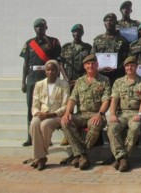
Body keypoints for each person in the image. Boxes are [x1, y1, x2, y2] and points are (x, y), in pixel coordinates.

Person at [61, 54, 111, 170]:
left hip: (96, 114)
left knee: (95, 125)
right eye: (88, 64)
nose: (91, 66)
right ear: (84, 66)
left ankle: (78, 155)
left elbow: (106, 100)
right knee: (65, 122)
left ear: (97, 65)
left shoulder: (104, 80)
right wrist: (67, 112)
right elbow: (72, 98)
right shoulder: (80, 81)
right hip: (81, 114)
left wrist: (100, 114)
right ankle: (82, 155)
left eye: (93, 63)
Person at [20, 18, 61, 147]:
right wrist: (23, 81)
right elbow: (25, 63)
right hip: (32, 77)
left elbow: (57, 61)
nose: (39, 29)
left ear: (46, 28)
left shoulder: (53, 42)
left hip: (47, 77)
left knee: (47, 107)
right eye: (37, 27)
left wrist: (57, 79)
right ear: (34, 29)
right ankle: (30, 136)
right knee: (31, 107)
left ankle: (46, 137)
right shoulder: (29, 43)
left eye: (41, 27)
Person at [107, 56, 141, 172]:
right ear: (124, 67)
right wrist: (112, 114)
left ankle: (121, 159)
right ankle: (123, 158)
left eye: (132, 65)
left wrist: (140, 114)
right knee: (112, 128)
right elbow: (114, 100)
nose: (129, 67)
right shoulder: (118, 82)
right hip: (121, 113)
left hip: (136, 113)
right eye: (127, 66)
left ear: (136, 67)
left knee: (135, 128)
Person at [28, 60, 69, 171]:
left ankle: (39, 157)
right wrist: (38, 113)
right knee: (34, 123)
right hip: (41, 113)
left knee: (44, 125)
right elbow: (35, 104)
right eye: (48, 70)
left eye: (53, 70)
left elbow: (65, 106)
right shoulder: (39, 84)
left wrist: (52, 114)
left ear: (57, 71)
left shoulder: (64, 84)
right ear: (45, 71)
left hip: (56, 115)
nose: (50, 72)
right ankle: (41, 157)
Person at [91, 13, 129, 86]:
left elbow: (126, 59)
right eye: (106, 20)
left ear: (115, 23)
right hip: (100, 76)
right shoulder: (98, 40)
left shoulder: (122, 40)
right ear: (104, 23)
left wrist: (117, 68)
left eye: (111, 20)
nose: (108, 22)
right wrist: (98, 68)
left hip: (117, 76)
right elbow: (92, 57)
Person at [59, 23, 92, 89]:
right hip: (68, 82)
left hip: (83, 81)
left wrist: (80, 80)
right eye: (74, 32)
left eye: (79, 31)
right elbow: (61, 65)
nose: (76, 33)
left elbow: (90, 64)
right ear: (72, 33)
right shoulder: (66, 47)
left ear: (82, 33)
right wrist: (66, 79)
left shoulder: (88, 48)